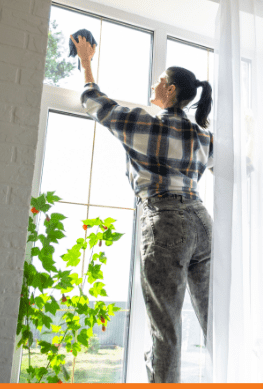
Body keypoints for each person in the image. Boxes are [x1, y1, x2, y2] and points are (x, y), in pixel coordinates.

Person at [70, 35, 214, 383]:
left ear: (171, 90)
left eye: (159, 80)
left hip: (165, 223)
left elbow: (95, 102)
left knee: (166, 330)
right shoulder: (204, 138)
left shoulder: (146, 124)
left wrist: (86, 61)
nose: (154, 84)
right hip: (202, 223)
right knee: (215, 321)